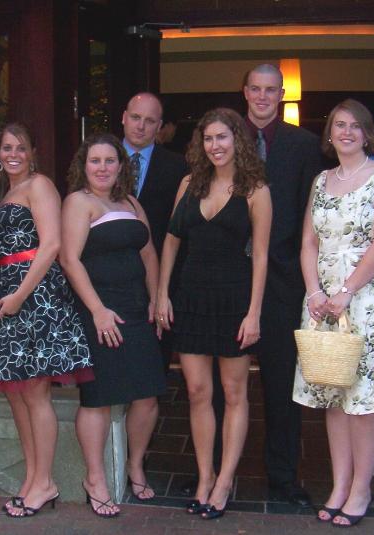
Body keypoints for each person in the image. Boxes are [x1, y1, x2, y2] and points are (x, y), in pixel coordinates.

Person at [293, 99, 374, 527]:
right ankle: (340, 485)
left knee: (364, 401)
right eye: (339, 125)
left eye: (355, 126)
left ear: (366, 134)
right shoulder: (322, 180)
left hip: (367, 299)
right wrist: (314, 291)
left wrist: (346, 291)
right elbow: (309, 242)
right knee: (334, 395)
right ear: (330, 133)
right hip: (323, 302)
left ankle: (361, 489)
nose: (346, 132)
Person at [157, 108, 272, 520]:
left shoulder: (256, 189)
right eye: (208, 139)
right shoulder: (190, 183)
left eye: (222, 137)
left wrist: (254, 313)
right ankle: (204, 477)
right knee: (196, 392)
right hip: (191, 298)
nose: (215, 145)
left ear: (237, 140)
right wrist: (162, 294)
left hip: (233, 299)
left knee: (235, 392)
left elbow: (261, 256)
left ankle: (224, 481)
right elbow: (171, 241)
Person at [0, 123, 93, 517]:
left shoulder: (39, 185)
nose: (13, 154)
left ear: (32, 153)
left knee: (35, 391)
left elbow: (52, 245)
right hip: (8, 299)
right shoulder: (4, 193)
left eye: (20, 148)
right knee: (17, 392)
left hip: (37, 296)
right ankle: (33, 478)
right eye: (6, 148)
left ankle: (44, 482)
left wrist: (20, 296)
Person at [60, 133, 166, 517]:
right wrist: (98, 310)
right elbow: (70, 260)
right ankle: (95, 479)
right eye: (95, 161)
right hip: (99, 311)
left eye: (110, 160)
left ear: (121, 166)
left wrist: (155, 297)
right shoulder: (78, 202)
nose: (102, 168)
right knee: (99, 398)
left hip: (137, 310)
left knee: (147, 395)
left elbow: (148, 253)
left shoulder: (132, 202)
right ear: (83, 165)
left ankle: (136, 465)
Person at [243, 63, 323, 506]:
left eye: (270, 90)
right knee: (220, 384)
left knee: (281, 383)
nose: (263, 97)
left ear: (281, 94)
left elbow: (311, 213)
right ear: (245, 92)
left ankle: (283, 476)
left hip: (282, 281)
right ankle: (212, 471)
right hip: (229, 278)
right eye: (256, 89)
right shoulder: (223, 137)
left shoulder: (304, 144)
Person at [121, 92, 188, 370]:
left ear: (160, 126)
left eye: (149, 121)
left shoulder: (179, 167)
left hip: (159, 279)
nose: (140, 126)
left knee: (153, 367)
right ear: (124, 118)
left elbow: (182, 230)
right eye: (135, 117)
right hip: (107, 281)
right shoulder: (99, 159)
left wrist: (166, 289)